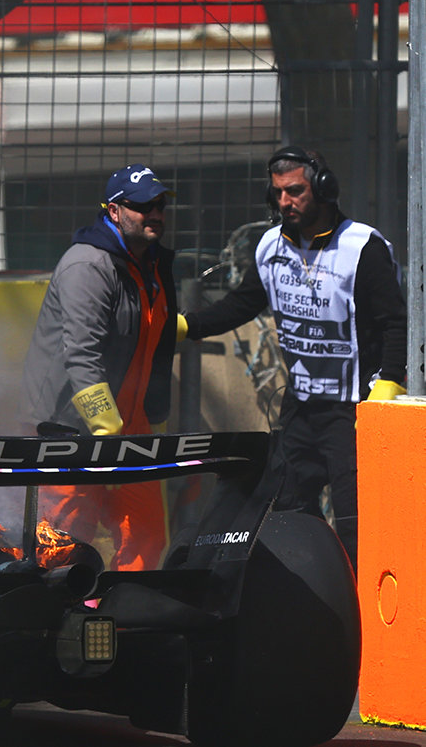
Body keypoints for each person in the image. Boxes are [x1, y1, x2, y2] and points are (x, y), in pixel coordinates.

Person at [180, 146, 407, 571]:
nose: (285, 201)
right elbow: (242, 304)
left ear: (323, 188)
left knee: (357, 517)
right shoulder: (270, 246)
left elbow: (396, 322)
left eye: (296, 191)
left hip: (354, 407)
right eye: (278, 192)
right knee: (287, 504)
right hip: (301, 405)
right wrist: (185, 327)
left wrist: (390, 384)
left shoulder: (363, 247)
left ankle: (362, 610)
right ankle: (317, 582)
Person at [20, 164, 179, 571]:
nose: (155, 213)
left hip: (132, 425)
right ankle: (58, 623)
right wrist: (107, 431)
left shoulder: (155, 262)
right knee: (63, 543)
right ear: (114, 211)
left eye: (160, 204)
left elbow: (151, 332)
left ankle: (130, 619)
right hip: (70, 428)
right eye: (143, 206)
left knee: (148, 536)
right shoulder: (87, 266)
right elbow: (82, 356)